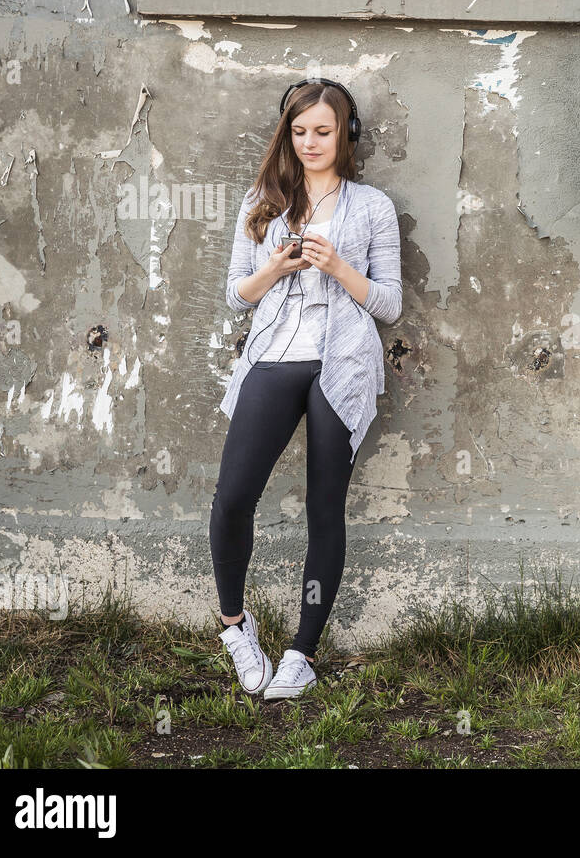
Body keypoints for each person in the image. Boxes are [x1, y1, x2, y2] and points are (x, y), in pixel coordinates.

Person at [209, 78, 402, 699]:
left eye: (324, 130)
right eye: (300, 131)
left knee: (325, 507)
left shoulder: (371, 206)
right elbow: (235, 295)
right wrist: (277, 267)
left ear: (346, 133)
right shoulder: (263, 199)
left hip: (341, 362)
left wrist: (337, 266)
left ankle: (302, 651)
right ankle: (236, 627)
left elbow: (392, 305)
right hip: (273, 356)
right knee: (233, 498)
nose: (311, 142)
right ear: (287, 134)